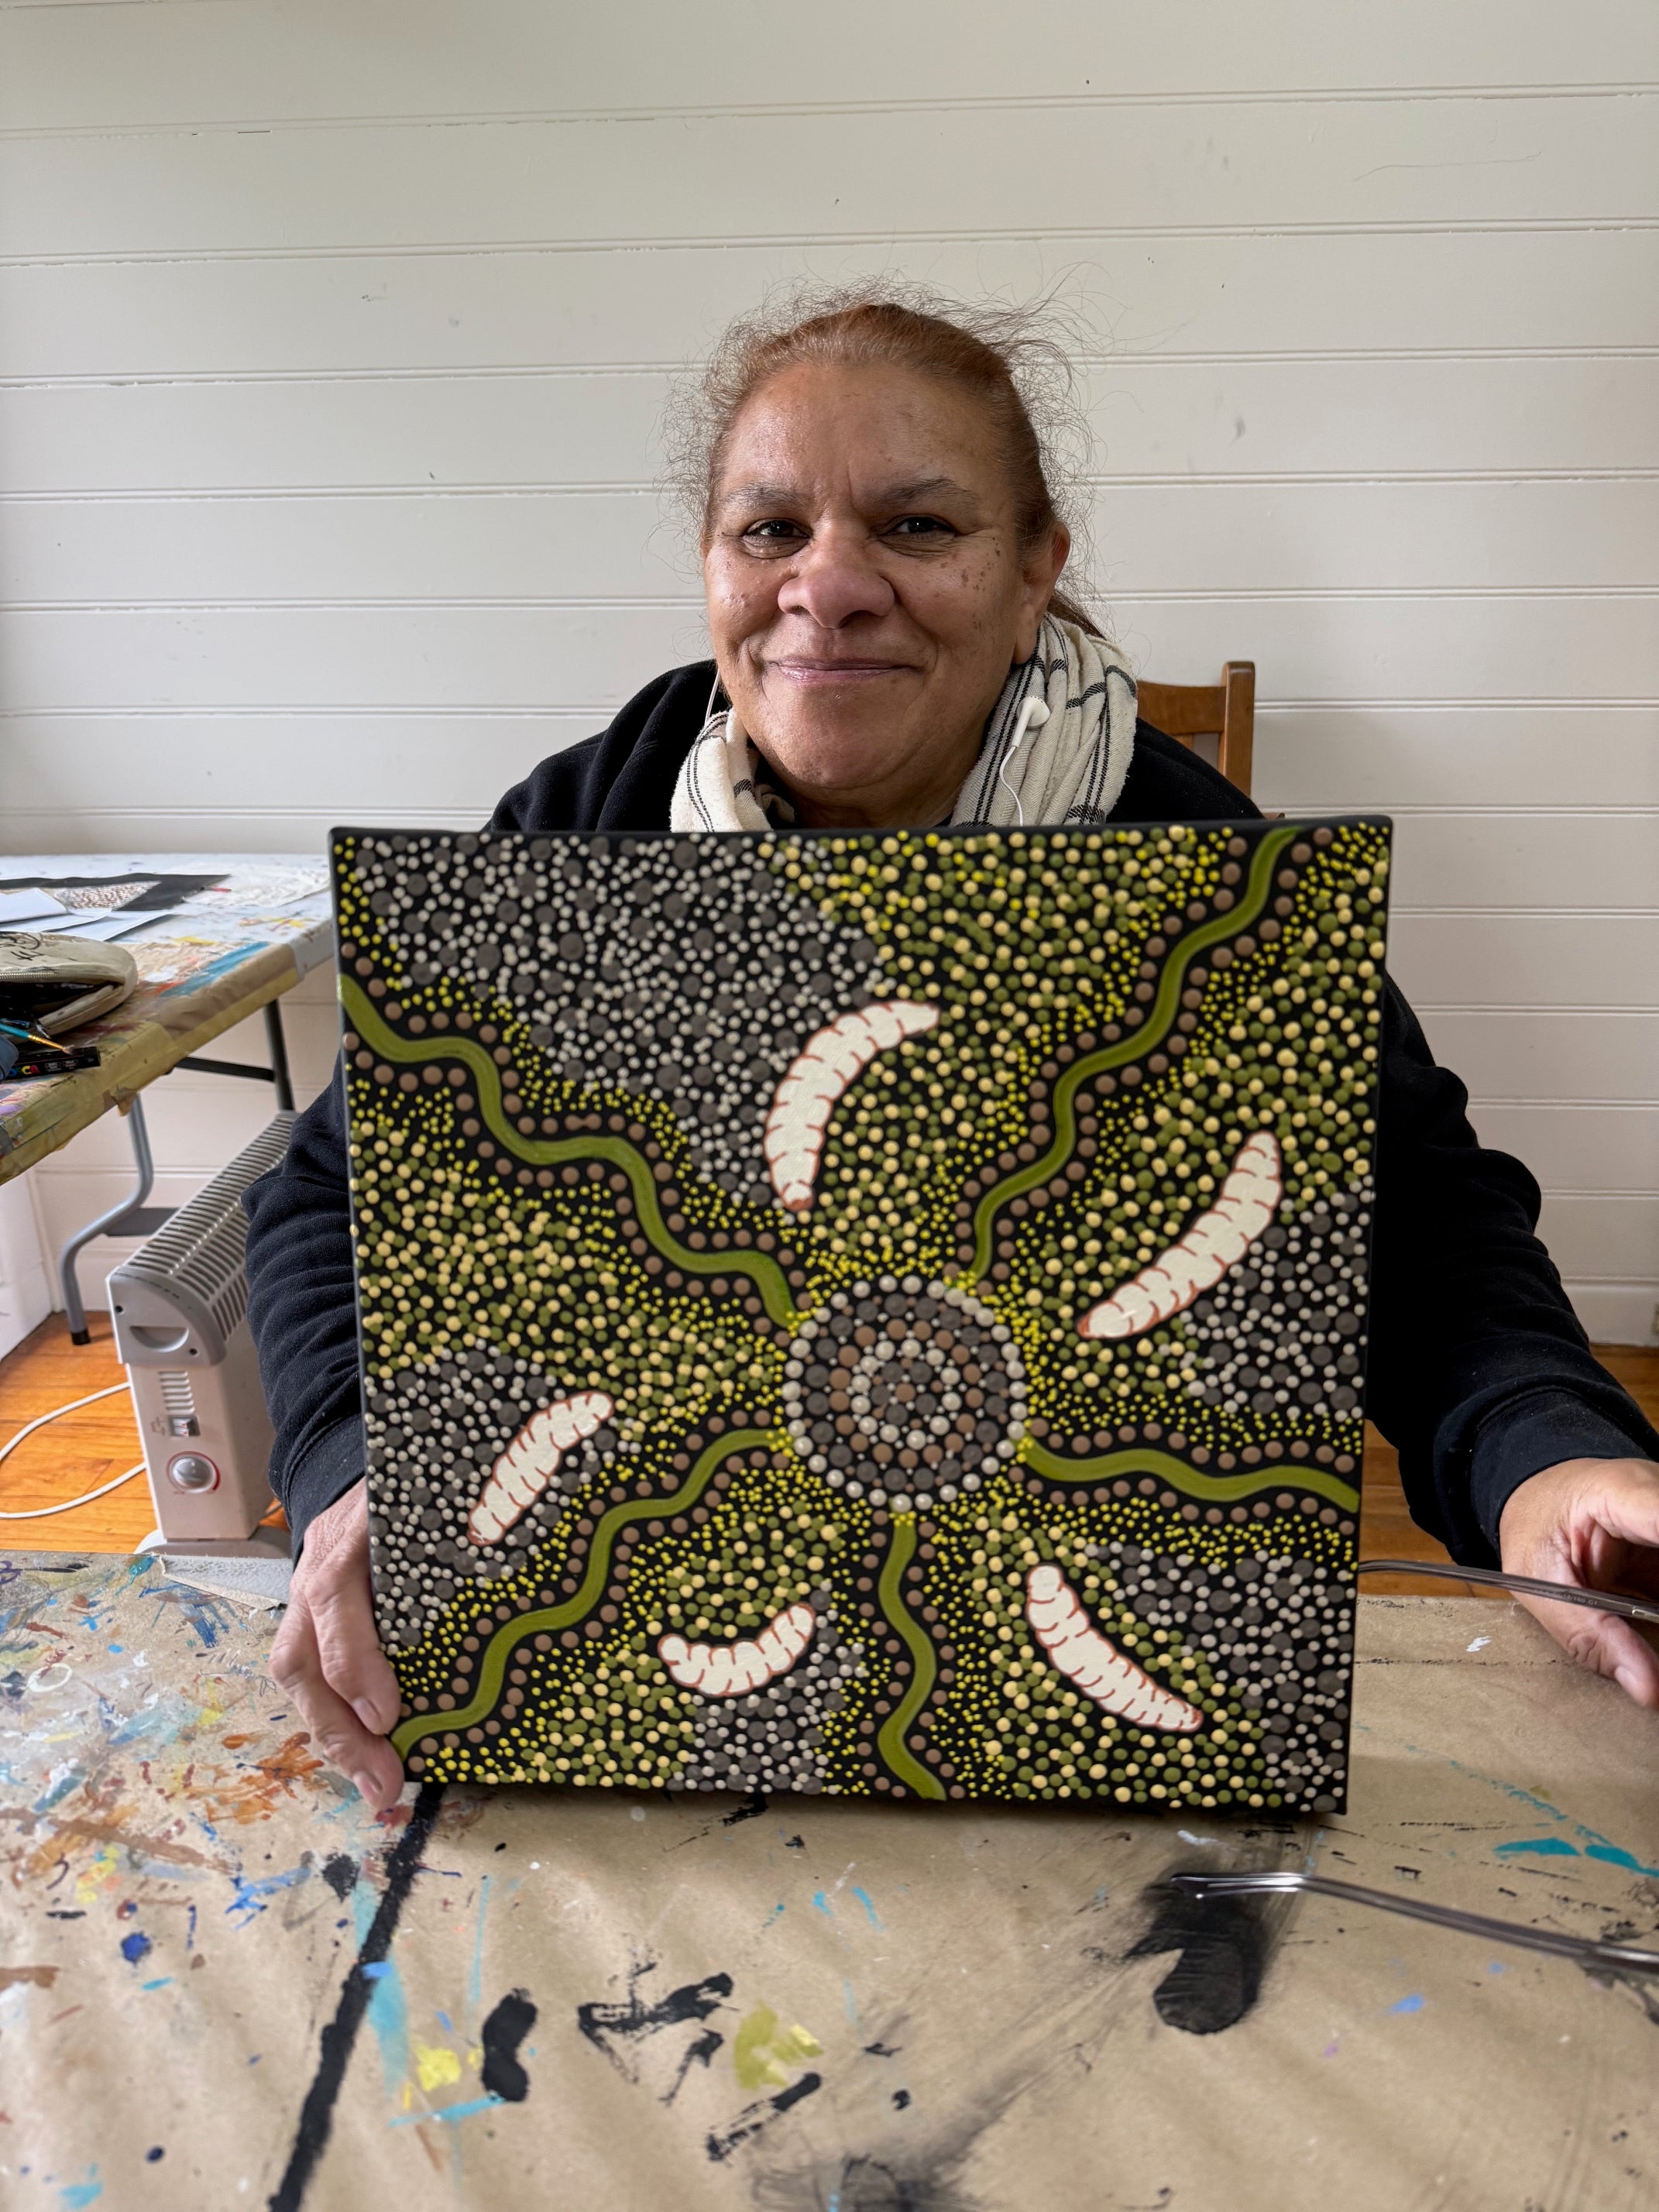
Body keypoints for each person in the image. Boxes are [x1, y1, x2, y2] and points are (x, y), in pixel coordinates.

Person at [245, 287, 1659, 1813]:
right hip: (643, 1668)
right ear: (711, 566)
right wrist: (354, 1470)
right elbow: (330, 1199)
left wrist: (1548, 1464)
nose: (828, 585)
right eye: (769, 531)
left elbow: (1414, 1222)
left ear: (1037, 568)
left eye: (917, 528)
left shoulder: (1189, 872)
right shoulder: (587, 832)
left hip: (1086, 1682)